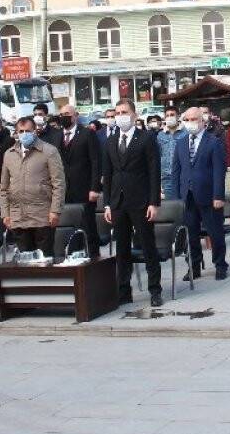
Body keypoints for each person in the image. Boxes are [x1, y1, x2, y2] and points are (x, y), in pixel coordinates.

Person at [101, 100, 162, 306]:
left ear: (134, 115)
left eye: (124, 112)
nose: (120, 116)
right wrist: (107, 203)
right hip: (118, 202)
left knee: (147, 246)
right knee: (122, 249)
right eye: (117, 112)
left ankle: (155, 290)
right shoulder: (110, 141)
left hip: (141, 201)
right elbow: (107, 174)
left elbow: (154, 171)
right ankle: (123, 291)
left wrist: (154, 202)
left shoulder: (146, 138)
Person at [174, 107, 228, 282]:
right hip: (187, 196)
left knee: (215, 232)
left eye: (194, 119)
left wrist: (218, 196)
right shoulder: (181, 142)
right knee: (191, 233)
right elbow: (176, 171)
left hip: (208, 195)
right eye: (187, 120)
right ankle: (194, 266)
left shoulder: (213, 142)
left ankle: (220, 265)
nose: (191, 123)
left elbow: (219, 171)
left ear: (202, 121)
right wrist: (176, 197)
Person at [0, 117, 65, 259]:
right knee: (25, 261)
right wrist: (5, 213)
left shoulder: (49, 151)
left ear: (35, 131)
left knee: (44, 260)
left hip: (42, 215)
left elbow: (58, 183)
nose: (24, 134)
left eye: (27, 131)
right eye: (20, 131)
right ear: (16, 133)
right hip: (18, 216)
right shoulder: (9, 154)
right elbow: (4, 188)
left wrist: (55, 210)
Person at [54, 104, 102, 257]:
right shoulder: (56, 136)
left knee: (88, 225)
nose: (64, 117)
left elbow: (96, 161)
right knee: (69, 225)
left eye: (67, 114)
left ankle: (94, 257)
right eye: (61, 114)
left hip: (84, 188)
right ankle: (73, 257)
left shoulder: (87, 134)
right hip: (64, 190)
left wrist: (95, 188)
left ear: (75, 115)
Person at [156, 107, 186, 200]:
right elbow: (158, 156)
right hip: (167, 178)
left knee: (185, 205)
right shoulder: (160, 135)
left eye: (172, 115)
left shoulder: (186, 133)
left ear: (178, 116)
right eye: (167, 115)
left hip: (183, 176)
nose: (169, 117)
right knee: (172, 207)